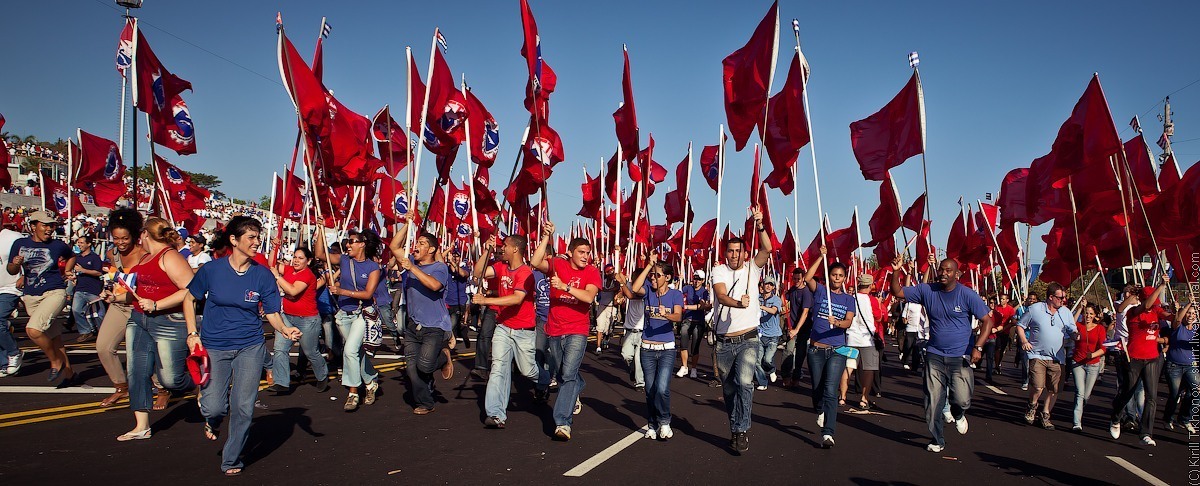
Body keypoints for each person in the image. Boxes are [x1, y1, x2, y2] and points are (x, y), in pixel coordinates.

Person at [183, 216, 302, 475]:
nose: (257, 242)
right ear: (234, 240)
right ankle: (212, 421)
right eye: (251, 237)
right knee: (214, 406)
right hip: (215, 346)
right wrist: (192, 333)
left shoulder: (262, 275)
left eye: (258, 237)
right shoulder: (211, 271)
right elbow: (189, 299)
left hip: (250, 346)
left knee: (243, 407)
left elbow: (271, 312)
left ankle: (232, 459)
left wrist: (284, 328)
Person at [889, 254, 994, 453]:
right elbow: (898, 291)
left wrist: (978, 347)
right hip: (934, 354)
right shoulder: (927, 290)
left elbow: (987, 322)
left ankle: (958, 412)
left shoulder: (967, 294)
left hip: (960, 356)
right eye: (941, 269)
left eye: (948, 270)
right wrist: (896, 270)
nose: (943, 273)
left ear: (957, 274)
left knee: (962, 399)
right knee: (933, 400)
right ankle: (937, 439)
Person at [530, 221, 601, 441]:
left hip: (577, 329)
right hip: (554, 328)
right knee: (562, 373)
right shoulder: (558, 265)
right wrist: (545, 236)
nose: (585, 256)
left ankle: (562, 422)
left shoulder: (592, 271)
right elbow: (534, 262)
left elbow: (589, 297)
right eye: (581, 252)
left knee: (568, 375)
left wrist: (565, 287)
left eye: (587, 253)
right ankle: (578, 386)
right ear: (570, 252)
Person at [709, 208, 771, 453]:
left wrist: (760, 226)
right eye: (730, 251)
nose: (734, 255)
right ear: (725, 253)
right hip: (724, 341)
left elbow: (766, 249)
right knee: (729, 390)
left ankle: (742, 429)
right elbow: (721, 295)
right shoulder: (719, 270)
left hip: (748, 338)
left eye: (738, 251)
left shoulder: (752, 269)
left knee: (745, 383)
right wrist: (738, 302)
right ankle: (735, 427)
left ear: (745, 254)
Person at [473, 235, 544, 428]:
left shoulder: (525, 272)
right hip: (504, 327)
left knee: (528, 370)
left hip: (524, 330)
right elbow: (478, 272)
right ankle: (496, 414)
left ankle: (546, 380)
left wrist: (485, 301)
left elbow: (516, 299)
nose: (501, 248)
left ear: (515, 249)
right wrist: (487, 251)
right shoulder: (500, 267)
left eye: (504, 246)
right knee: (498, 368)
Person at [388, 222, 455, 415]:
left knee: (424, 365)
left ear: (432, 249)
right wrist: (407, 224)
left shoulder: (439, 267)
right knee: (412, 368)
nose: (417, 246)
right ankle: (426, 402)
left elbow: (434, 286)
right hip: (413, 325)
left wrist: (412, 269)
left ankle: (443, 357)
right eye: (416, 242)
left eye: (422, 243)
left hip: (434, 326)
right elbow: (394, 247)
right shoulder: (410, 261)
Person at [7, 210, 78, 386]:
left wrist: (68, 271)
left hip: (54, 291)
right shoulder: (19, 243)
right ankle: (69, 375)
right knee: (54, 338)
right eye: (45, 225)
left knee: (33, 330)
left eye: (51, 225)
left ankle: (55, 361)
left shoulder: (57, 245)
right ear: (33, 226)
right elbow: (11, 270)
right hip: (31, 295)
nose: (49, 229)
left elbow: (71, 256)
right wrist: (16, 265)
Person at [800, 248, 856, 448]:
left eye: (840, 276)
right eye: (834, 275)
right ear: (829, 276)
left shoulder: (849, 299)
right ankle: (820, 409)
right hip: (816, 349)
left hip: (837, 350)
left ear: (844, 278)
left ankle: (828, 433)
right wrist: (820, 257)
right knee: (817, 388)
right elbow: (807, 277)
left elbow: (848, 322)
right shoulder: (821, 291)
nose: (837, 278)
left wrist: (837, 322)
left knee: (831, 390)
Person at [1109, 277, 1171, 446]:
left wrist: (1181, 311)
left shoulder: (1156, 312)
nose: (1156, 304)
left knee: (1152, 396)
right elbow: (1145, 305)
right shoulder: (1134, 311)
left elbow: (1173, 318)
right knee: (1128, 391)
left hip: (1152, 359)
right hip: (1134, 358)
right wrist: (1161, 285)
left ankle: (1145, 432)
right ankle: (1115, 417)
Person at [628, 253, 684, 440]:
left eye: (657, 275)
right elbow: (634, 287)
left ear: (667, 278)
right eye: (652, 274)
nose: (653, 277)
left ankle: (665, 421)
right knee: (650, 389)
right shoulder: (648, 291)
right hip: (647, 349)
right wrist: (649, 266)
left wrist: (666, 315)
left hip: (666, 349)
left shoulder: (675, 294)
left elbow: (678, 316)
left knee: (661, 388)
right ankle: (652, 424)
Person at [95, 209, 147, 406]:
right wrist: (108, 290)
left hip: (139, 307)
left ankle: (162, 387)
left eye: (125, 238)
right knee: (103, 346)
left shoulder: (145, 255)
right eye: (116, 238)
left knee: (144, 353)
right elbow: (115, 276)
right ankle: (120, 386)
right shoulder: (112, 254)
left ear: (134, 235)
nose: (120, 242)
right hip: (119, 306)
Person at [266, 246, 329, 394]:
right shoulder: (288, 270)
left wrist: (277, 276)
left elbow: (292, 290)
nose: (296, 260)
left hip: (307, 320)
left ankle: (322, 375)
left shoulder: (308, 275)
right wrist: (275, 246)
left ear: (308, 261)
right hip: (287, 317)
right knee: (280, 348)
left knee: (310, 352)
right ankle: (281, 382)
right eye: (295, 257)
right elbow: (272, 263)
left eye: (300, 258)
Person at [1015, 283, 1078, 430]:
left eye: (1064, 297)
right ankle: (1032, 406)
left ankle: (1045, 414)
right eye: (1060, 297)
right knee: (1038, 386)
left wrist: (1076, 335)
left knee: (1053, 389)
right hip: (1037, 355)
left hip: (1057, 358)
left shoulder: (1066, 312)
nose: (1063, 300)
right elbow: (1020, 325)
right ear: (1051, 297)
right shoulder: (1035, 309)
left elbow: (1072, 330)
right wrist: (1024, 341)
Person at [846, 274, 884, 410]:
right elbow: (879, 318)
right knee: (869, 369)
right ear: (870, 285)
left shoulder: (850, 298)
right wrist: (879, 304)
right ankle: (864, 398)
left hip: (851, 337)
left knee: (848, 368)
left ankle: (842, 396)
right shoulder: (872, 300)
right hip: (867, 339)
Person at [1070, 302, 1109, 432]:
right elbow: (1071, 322)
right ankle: (1077, 423)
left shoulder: (1099, 329)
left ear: (1095, 316)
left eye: (1091, 314)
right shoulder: (1079, 326)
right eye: (1086, 313)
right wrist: (1080, 307)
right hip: (1078, 363)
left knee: (1086, 395)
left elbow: (1103, 348)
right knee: (1080, 392)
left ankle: (1079, 406)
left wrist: (1092, 354)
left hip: (1093, 364)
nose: (1088, 316)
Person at [1163, 301, 1198, 433]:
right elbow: (1177, 319)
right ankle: (1168, 419)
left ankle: (1184, 419)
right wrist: (1189, 304)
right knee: (1174, 394)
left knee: (1196, 391)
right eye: (1189, 313)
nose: (1191, 315)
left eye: (1193, 314)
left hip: (1190, 366)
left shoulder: (1196, 330)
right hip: (1174, 366)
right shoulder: (1177, 327)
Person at [780, 268, 813, 387]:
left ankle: (796, 377)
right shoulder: (793, 290)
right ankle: (785, 376)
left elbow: (805, 312)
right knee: (788, 350)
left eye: (798, 279)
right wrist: (781, 291)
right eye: (794, 279)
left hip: (803, 328)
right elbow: (783, 300)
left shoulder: (806, 293)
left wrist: (797, 329)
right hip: (791, 326)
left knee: (800, 353)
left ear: (803, 278)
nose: (796, 281)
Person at [70, 235, 106, 343]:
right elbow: (74, 271)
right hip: (80, 288)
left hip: (93, 290)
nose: (79, 245)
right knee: (76, 310)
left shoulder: (94, 257)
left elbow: (99, 272)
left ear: (88, 244)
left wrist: (83, 270)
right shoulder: (77, 257)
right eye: (78, 243)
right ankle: (85, 331)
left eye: (81, 243)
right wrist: (73, 276)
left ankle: (103, 332)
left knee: (100, 314)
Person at [616, 266, 646, 391]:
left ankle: (640, 383)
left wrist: (622, 283)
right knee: (626, 355)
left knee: (639, 359)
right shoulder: (628, 284)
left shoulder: (645, 290)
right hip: (629, 328)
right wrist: (619, 295)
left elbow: (631, 295)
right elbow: (623, 289)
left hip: (641, 329)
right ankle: (632, 370)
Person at [0, 226, 24, 378]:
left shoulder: (12, 237)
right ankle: (3, 363)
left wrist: (24, 276)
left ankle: (14, 352)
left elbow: (29, 256)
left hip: (10, 287)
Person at [678, 270, 711, 379]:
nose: (696, 281)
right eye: (695, 278)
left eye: (699, 279)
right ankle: (684, 366)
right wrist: (679, 280)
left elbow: (702, 306)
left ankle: (694, 368)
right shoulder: (687, 288)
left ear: (702, 281)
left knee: (695, 346)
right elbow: (678, 294)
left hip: (698, 321)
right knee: (683, 341)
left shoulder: (704, 292)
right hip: (687, 319)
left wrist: (687, 307)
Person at [754, 276, 783, 390]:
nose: (768, 286)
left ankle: (771, 370)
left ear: (773, 287)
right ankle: (762, 382)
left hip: (773, 335)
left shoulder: (776, 299)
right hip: (760, 334)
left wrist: (761, 307)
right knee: (757, 361)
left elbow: (774, 310)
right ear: (763, 285)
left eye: (771, 285)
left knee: (767, 359)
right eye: (767, 284)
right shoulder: (757, 298)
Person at [983, 294, 1015, 382]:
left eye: (1003, 299)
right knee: (983, 355)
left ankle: (994, 368)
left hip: (1000, 334)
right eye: (991, 303)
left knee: (997, 351)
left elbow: (1010, 322)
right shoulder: (989, 310)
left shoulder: (1006, 311)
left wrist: (999, 329)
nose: (1001, 301)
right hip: (985, 336)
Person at [595, 264, 620, 355]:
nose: (612, 273)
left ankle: (606, 337)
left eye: (612, 271)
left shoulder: (615, 282)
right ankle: (598, 347)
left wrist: (607, 290)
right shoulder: (602, 281)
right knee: (600, 327)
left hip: (611, 307)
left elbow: (617, 287)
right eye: (610, 271)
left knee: (608, 327)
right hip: (602, 306)